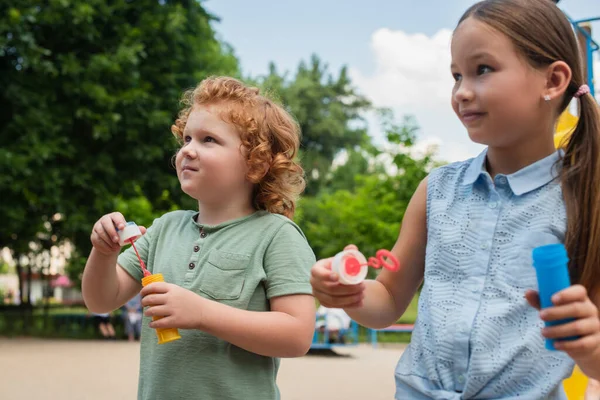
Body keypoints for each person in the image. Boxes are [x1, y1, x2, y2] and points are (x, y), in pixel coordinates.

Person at [310, 1, 600, 398]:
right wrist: (352, 293)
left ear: (552, 81)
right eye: (456, 75)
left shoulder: (587, 200)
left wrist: (590, 345)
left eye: (482, 70)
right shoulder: (436, 190)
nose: (462, 92)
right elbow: (390, 298)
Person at [81, 76, 316, 400]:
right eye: (187, 138)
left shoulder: (276, 235)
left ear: (256, 163)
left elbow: (297, 335)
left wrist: (202, 313)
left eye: (208, 140)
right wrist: (103, 253)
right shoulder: (164, 228)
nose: (188, 150)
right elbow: (100, 300)